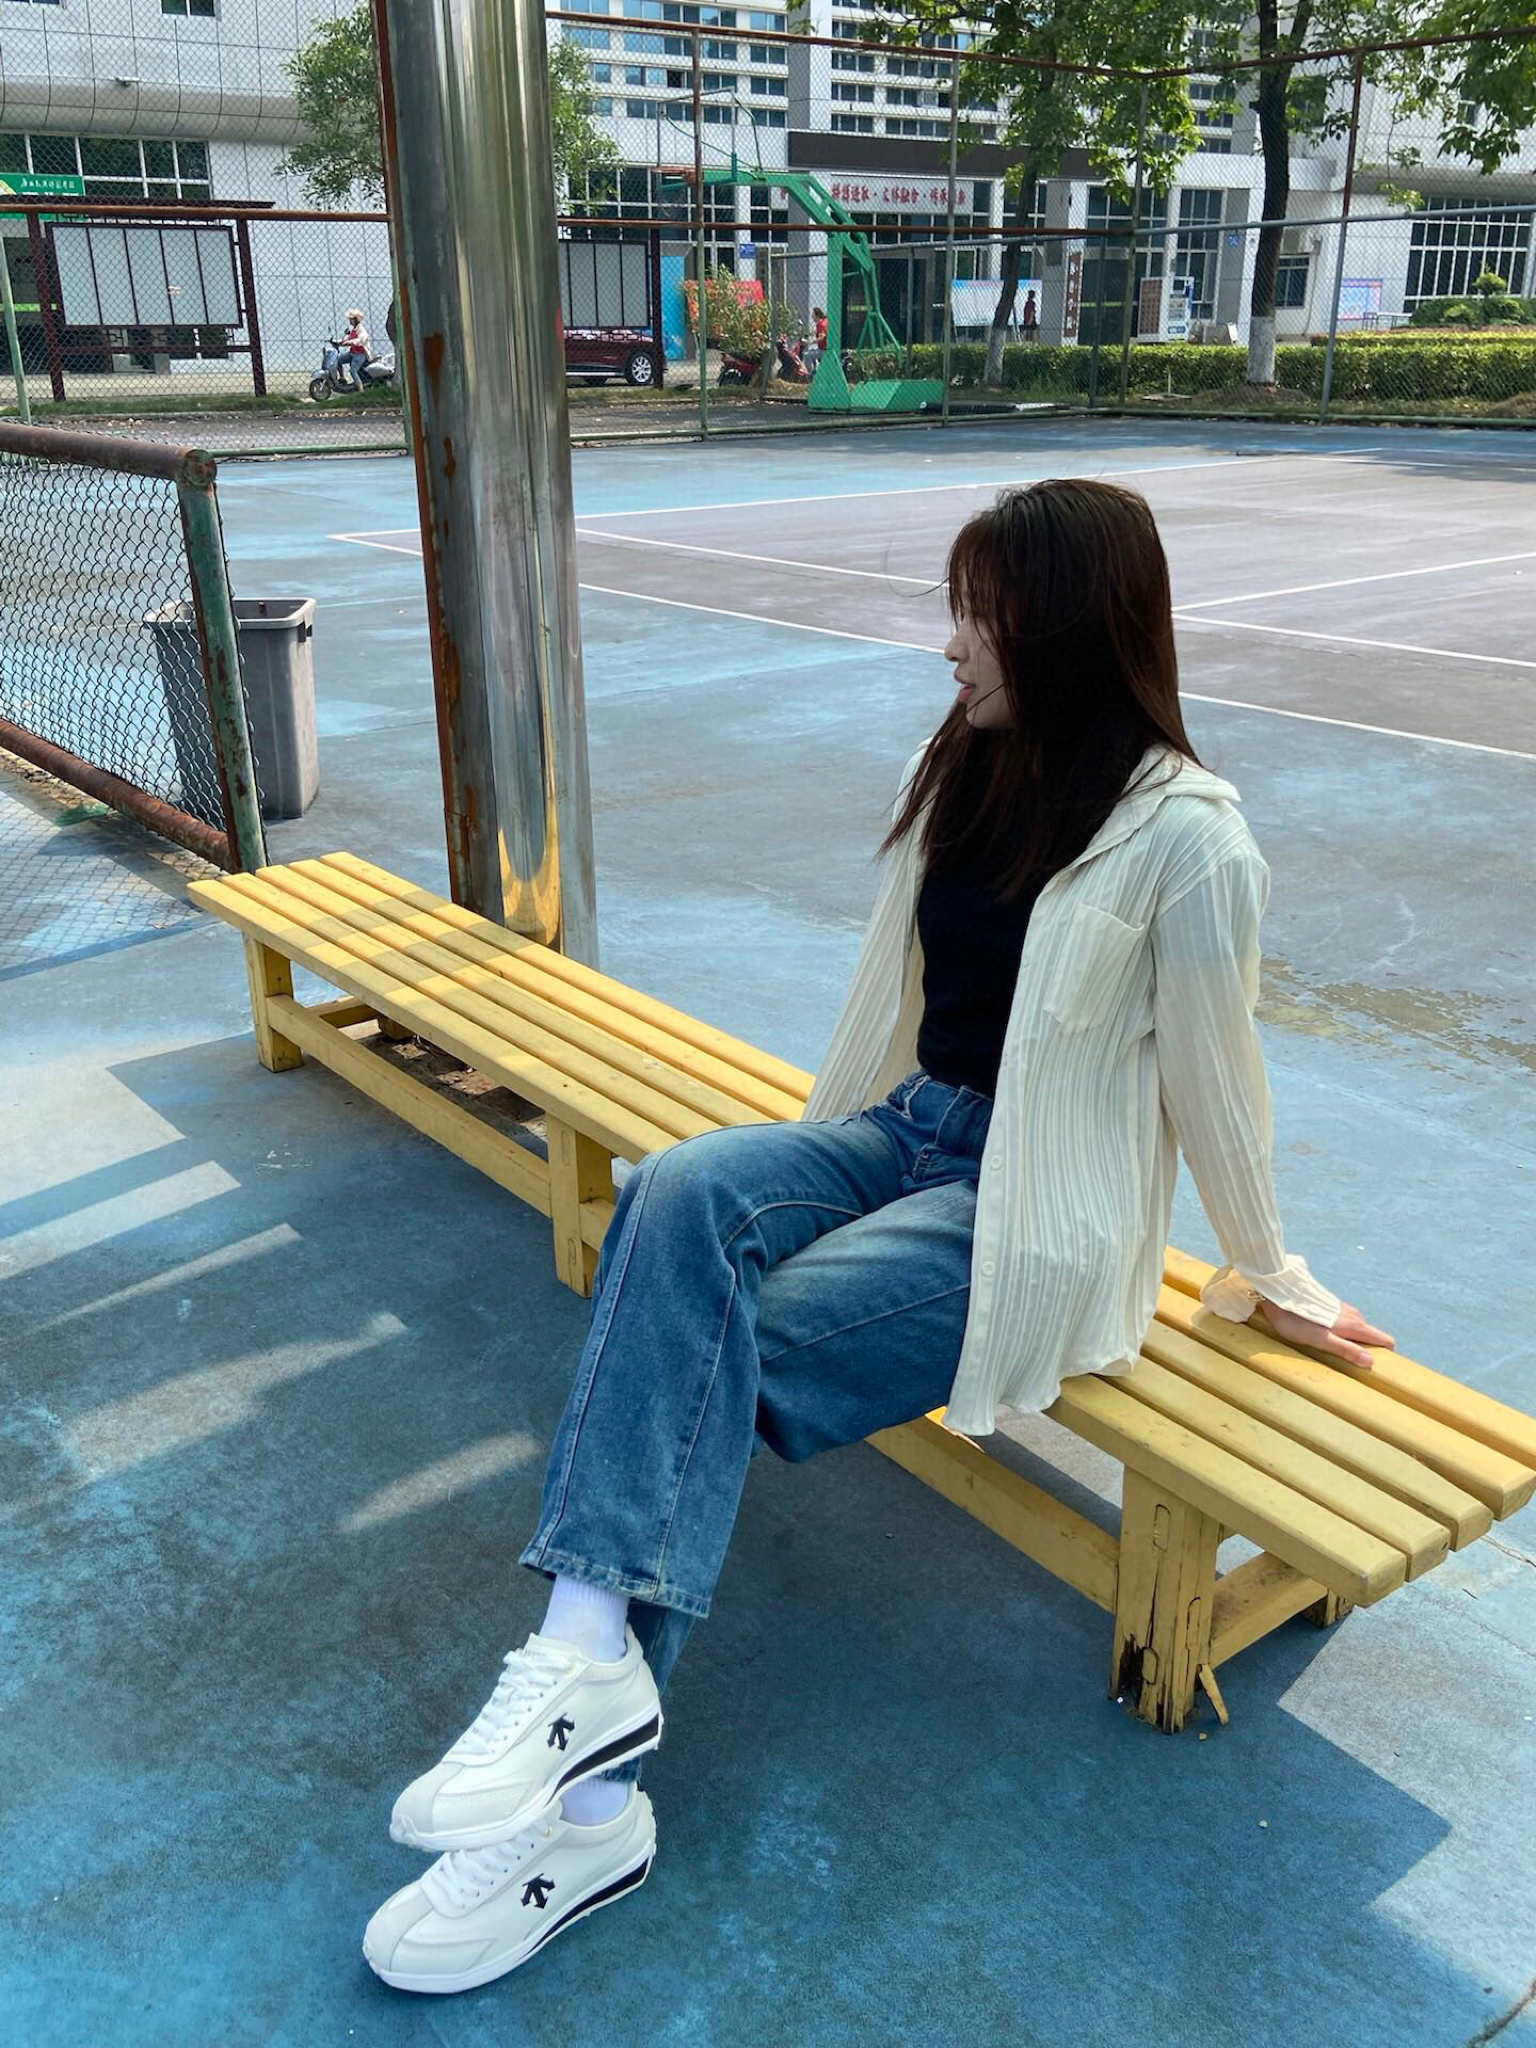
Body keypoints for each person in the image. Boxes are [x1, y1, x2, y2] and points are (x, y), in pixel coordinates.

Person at [362, 478, 1396, 1995]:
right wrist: (818, 1151)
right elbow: (902, 1005)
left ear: (1066, 625)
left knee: (712, 1347)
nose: (952, 644)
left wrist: (1271, 1268)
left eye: (981, 615)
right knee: (676, 1193)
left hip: (1033, 1210)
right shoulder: (963, 764)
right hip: (904, 1131)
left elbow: (1217, 1082)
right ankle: (586, 1686)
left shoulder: (1192, 839)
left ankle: (580, 1809)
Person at [339, 307, 371, 388]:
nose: (350, 321)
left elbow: (361, 340)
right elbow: (348, 337)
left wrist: (351, 342)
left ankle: (360, 388)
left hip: (360, 354)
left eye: (351, 319)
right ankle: (342, 378)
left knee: (353, 371)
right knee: (338, 360)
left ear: (356, 320)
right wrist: (340, 341)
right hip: (352, 352)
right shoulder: (353, 329)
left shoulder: (361, 330)